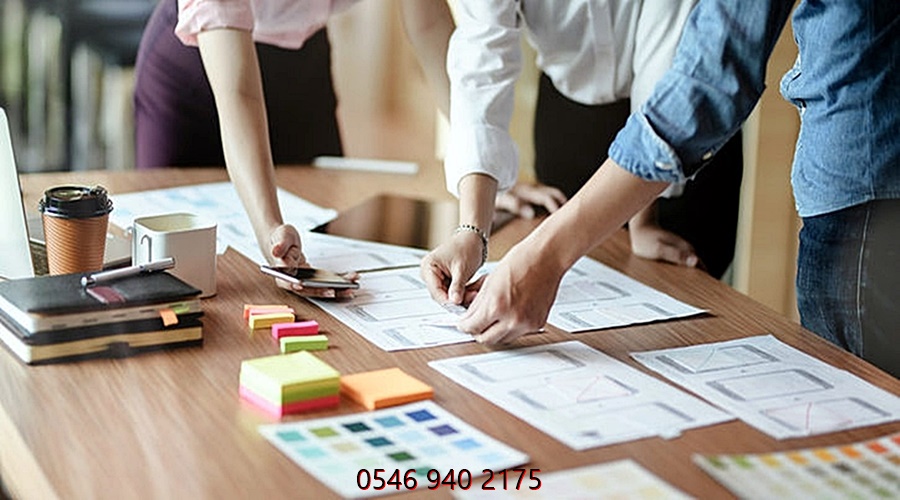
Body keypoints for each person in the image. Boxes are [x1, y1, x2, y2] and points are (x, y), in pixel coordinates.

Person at [437, 0, 900, 378]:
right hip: (851, 166)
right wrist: (471, 228)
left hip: (862, 166)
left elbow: (700, 78)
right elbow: (482, 59)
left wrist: (550, 253)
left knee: (861, 406)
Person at [134, 0, 563, 296]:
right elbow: (240, 94)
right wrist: (269, 229)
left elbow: (430, 27)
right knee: (176, 271)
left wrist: (481, 165)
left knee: (318, 238)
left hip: (300, 61)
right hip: (196, 68)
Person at [422, 0, 745, 308]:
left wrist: (644, 220)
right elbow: (482, 64)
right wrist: (471, 232)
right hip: (570, 122)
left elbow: (662, 57)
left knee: (682, 298)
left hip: (681, 126)